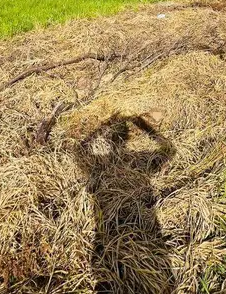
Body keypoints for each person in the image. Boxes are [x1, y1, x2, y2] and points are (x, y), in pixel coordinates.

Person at [75, 114, 175, 293]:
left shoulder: (101, 162)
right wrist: (145, 127)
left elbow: (79, 150)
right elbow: (168, 150)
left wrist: (102, 127)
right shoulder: (138, 163)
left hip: (108, 235)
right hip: (142, 241)